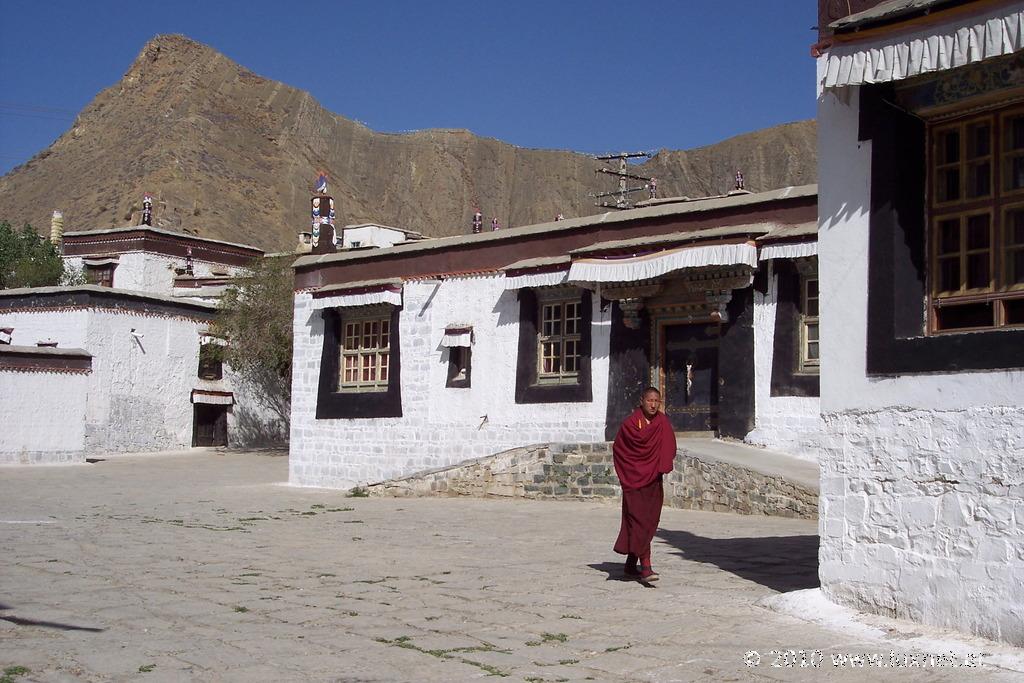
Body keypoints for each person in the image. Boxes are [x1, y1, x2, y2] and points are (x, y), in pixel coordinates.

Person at [612, 386, 676, 583]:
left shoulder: (662, 422)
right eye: (650, 400)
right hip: (633, 481)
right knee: (638, 520)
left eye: (657, 401)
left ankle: (631, 564)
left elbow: (670, 446)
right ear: (642, 401)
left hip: (653, 481)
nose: (653, 405)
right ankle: (646, 567)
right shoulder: (630, 424)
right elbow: (620, 450)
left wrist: (661, 466)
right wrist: (628, 475)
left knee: (647, 521)